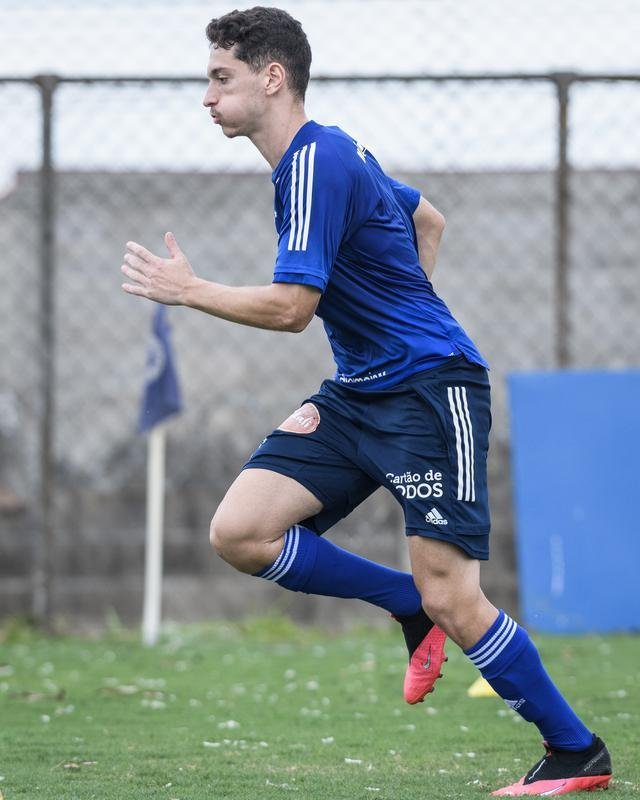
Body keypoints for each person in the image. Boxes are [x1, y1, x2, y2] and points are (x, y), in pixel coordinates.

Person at [120, 7, 612, 795]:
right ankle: (402, 603)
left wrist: (191, 291)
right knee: (240, 531)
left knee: (455, 595)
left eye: (221, 78)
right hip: (361, 392)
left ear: (271, 77)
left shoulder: (317, 160)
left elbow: (290, 310)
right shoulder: (327, 156)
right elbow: (427, 217)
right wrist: (392, 320)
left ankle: (575, 750)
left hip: (427, 391)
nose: (206, 98)